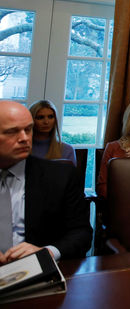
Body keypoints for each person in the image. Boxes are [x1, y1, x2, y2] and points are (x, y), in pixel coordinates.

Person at [0, 101, 91, 263]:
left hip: (37, 271)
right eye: (12, 132)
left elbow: (81, 234)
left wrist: (48, 252)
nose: (24, 138)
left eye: (28, 129)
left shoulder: (60, 176)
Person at [28, 100, 76, 166]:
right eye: (40, 117)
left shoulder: (67, 150)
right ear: (31, 120)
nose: (46, 122)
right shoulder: (21, 148)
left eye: (50, 117)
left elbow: (69, 176)